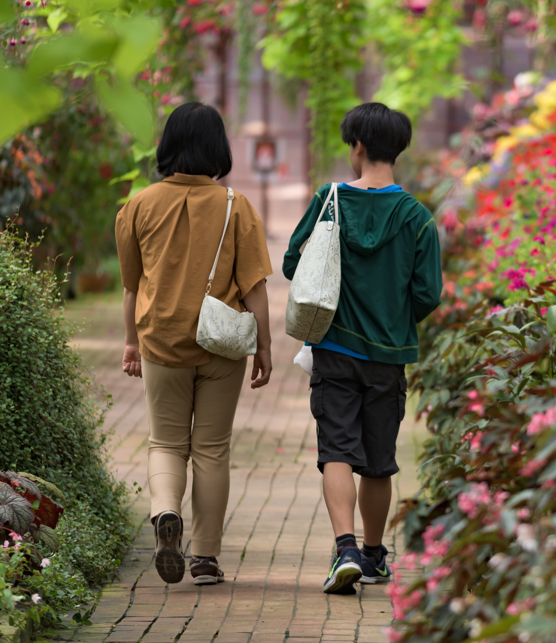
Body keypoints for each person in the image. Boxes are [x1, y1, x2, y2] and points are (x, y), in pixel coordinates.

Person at [283, 102, 442, 595]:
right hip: (389, 358)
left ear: (357, 147)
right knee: (378, 460)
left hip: (333, 349)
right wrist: (393, 320)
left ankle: (345, 548)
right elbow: (428, 294)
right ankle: (373, 556)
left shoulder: (329, 199)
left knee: (335, 450)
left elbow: (293, 264)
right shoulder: (417, 217)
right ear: (398, 149)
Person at [115, 102, 274, 587]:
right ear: (218, 148)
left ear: (167, 146)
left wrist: (130, 343)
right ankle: (205, 558)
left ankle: (166, 513)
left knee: (165, 441)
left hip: (160, 340)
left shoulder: (138, 205)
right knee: (211, 450)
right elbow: (255, 289)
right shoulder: (236, 205)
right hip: (221, 345)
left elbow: (130, 285)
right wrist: (263, 347)